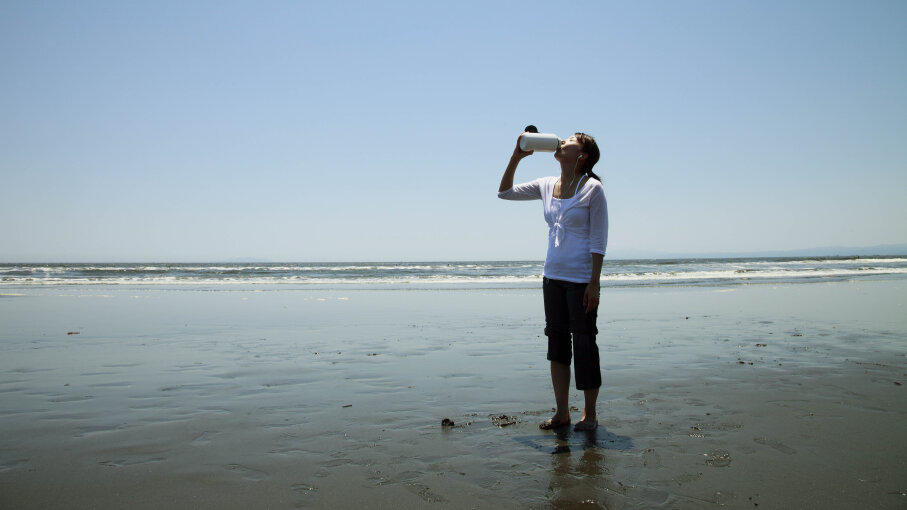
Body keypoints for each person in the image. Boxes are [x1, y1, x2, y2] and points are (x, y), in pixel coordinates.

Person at [497, 129, 608, 432]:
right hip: (553, 278)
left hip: (581, 280)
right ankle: (562, 413)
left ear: (581, 156)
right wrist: (516, 157)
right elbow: (504, 192)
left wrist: (594, 283)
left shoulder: (593, 189)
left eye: (571, 140)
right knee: (557, 345)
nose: (563, 142)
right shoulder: (547, 185)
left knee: (584, 343)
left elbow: (599, 239)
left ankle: (590, 414)